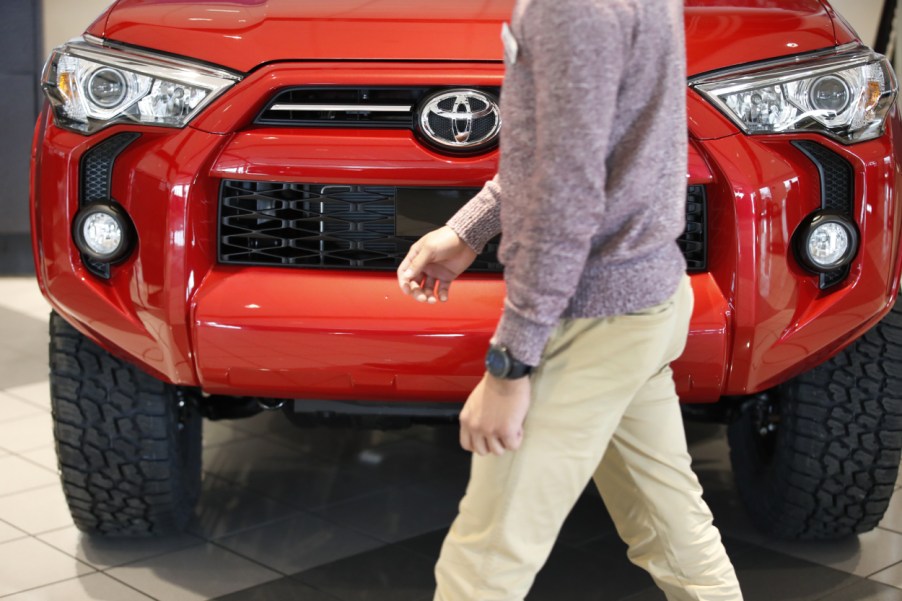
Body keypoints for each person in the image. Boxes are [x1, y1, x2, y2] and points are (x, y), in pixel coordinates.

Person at [397, 0, 744, 599]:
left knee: (483, 566)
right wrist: (470, 230)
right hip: (648, 299)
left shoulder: (571, 8)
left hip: (593, 320)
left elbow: (564, 195)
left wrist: (510, 365)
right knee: (671, 530)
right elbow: (579, 148)